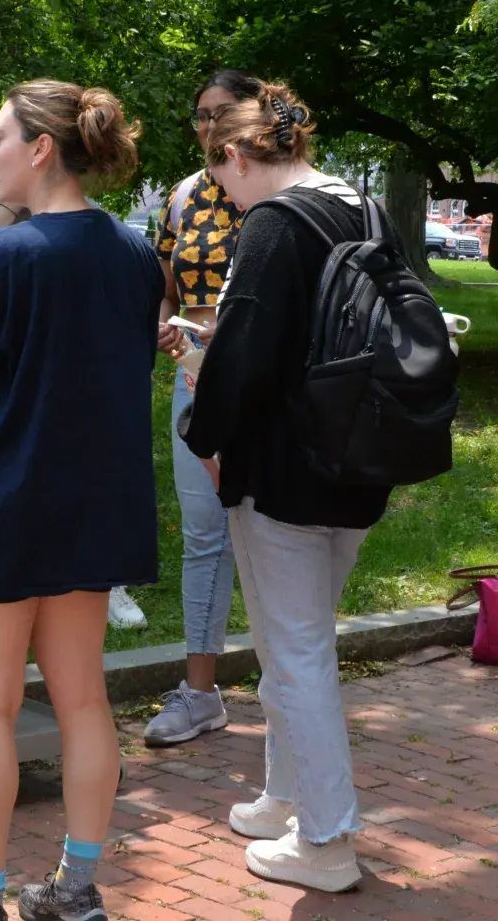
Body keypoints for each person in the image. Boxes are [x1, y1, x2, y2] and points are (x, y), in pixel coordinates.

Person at [0, 81, 159, 921]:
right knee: (83, 698)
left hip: (2, 507)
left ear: (41, 147)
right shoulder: (133, 254)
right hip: (91, 505)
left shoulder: (0, 256)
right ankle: (77, 891)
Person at [181, 81, 388, 893]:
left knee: (296, 651)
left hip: (283, 469)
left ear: (236, 155)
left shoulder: (272, 224)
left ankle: (328, 841)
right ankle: (284, 795)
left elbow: (246, 358)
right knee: (292, 640)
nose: (222, 194)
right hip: (359, 453)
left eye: (218, 174)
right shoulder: (360, 206)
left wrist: (207, 442)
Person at [143, 69, 260, 747]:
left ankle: (290, 679)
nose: (210, 126)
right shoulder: (184, 195)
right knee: (205, 538)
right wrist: (168, 327)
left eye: (224, 113)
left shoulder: (278, 192)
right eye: (201, 116)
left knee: (274, 535)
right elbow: (165, 285)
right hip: (195, 380)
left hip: (266, 383)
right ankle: (201, 691)